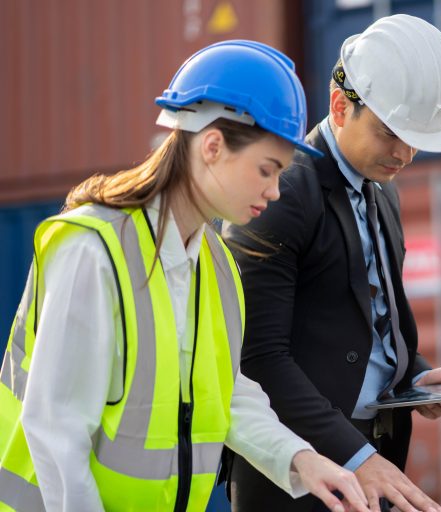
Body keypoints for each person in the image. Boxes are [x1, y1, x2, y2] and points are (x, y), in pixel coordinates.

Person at [0, 40, 371, 512]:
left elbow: (225, 393)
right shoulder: (93, 250)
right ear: (213, 146)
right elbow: (55, 430)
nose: (276, 191)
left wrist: (301, 458)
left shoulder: (215, 266)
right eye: (266, 169)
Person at [222, 14, 441, 512]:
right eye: (390, 134)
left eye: (416, 138)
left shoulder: (382, 193)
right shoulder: (281, 192)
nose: (405, 154)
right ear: (341, 107)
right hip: (294, 477)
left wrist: (415, 379)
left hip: (369, 459)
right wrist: (356, 455)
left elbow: (373, 328)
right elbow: (256, 358)